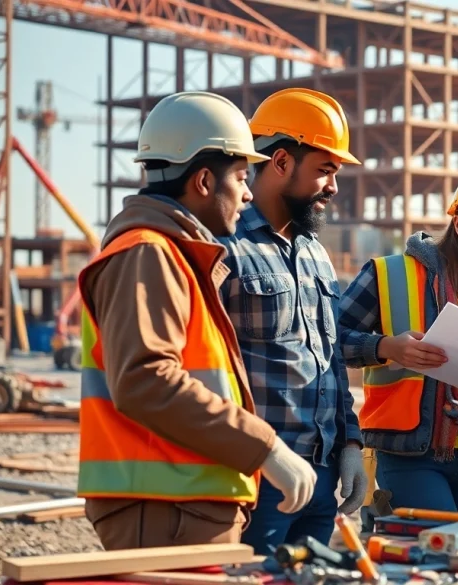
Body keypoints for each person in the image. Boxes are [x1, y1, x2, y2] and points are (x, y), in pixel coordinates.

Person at [76, 91, 317, 550]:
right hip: (165, 507)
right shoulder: (148, 254)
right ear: (204, 181)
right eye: (241, 177)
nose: (248, 192)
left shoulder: (172, 256)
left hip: (181, 504)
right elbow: (146, 379)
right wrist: (265, 447)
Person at [217, 87, 367, 553]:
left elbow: (330, 359)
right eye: (325, 170)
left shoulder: (316, 254)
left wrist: (350, 444)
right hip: (259, 475)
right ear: (281, 161)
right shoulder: (225, 246)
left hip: (321, 476)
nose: (334, 186)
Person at [337, 166, 458, 514]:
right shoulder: (390, 273)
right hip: (411, 452)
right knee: (441, 540)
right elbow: (327, 340)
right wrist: (385, 347)